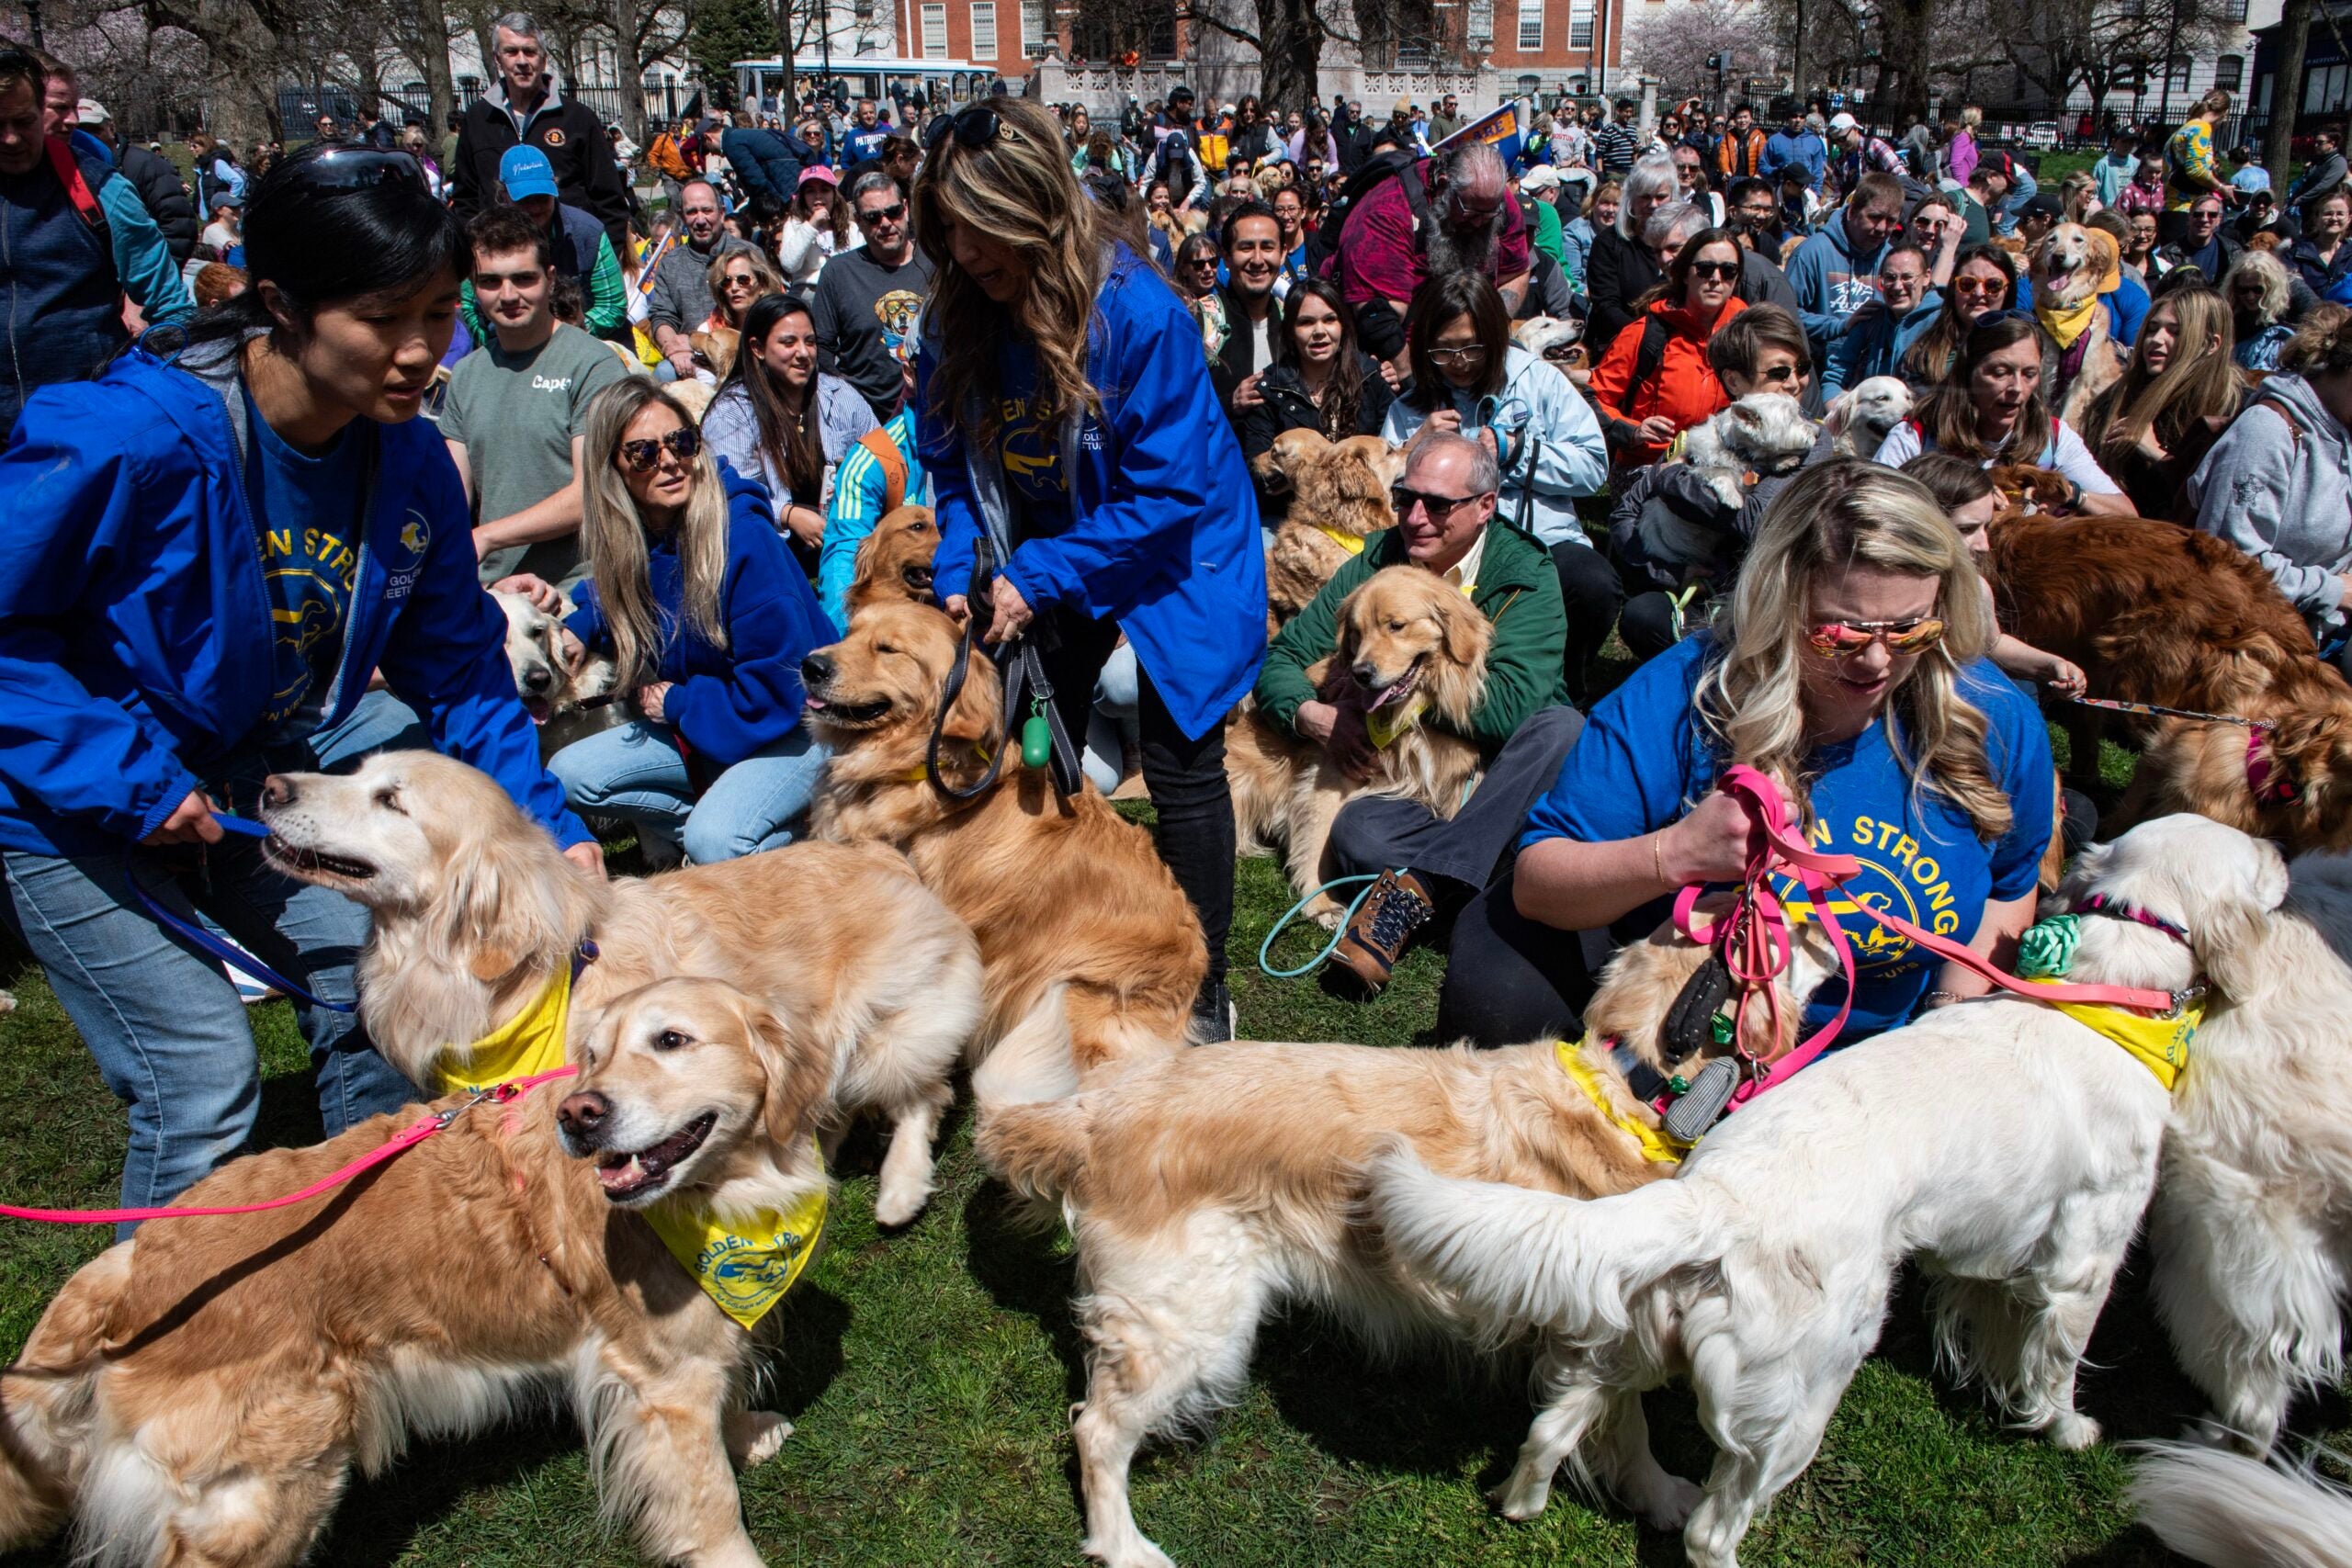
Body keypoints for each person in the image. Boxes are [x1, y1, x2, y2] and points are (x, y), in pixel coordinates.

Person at [0, 141, 598, 1224]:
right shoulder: (130, 437)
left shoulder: (405, 455)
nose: (424, 352)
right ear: (280, 304)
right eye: (386, 319)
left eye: (440, 312)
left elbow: (461, 671)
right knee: (198, 1074)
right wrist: (127, 778)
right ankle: (132, 1361)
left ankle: (360, 1273)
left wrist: (548, 829)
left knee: (367, 995)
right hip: (60, 795)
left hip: (242, 772)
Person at [1439, 459, 2053, 1050]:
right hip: (1693, 1033)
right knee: (1499, 982)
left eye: (1912, 629)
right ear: (1777, 603)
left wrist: (1948, 1026)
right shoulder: (1680, 694)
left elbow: (2011, 881)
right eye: (1839, 632)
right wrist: (1675, 852)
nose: (1876, 661)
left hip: (1872, 1061)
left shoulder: (1991, 716)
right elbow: (1540, 882)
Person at [913, 97, 1267, 1040]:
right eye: (946, 226)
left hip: (1175, 548)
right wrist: (963, 558)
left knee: (1183, 757)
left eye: (981, 226)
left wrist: (1038, 573)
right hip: (1046, 543)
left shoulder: (1137, 313)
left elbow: (1166, 493)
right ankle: (1054, 945)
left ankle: (1199, 989)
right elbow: (950, 460)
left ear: (1034, 209)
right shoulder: (955, 318)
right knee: (1039, 745)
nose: (966, 249)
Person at [1254, 431, 1583, 993]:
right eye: (1406, 498)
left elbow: (1510, 710)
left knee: (1561, 729)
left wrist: (1412, 688)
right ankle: (1482, 882)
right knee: (1358, 831)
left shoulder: (1526, 573)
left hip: (1498, 775)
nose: (1415, 517)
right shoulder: (1375, 560)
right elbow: (1283, 657)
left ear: (1485, 507)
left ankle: (1418, 890)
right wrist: (1311, 715)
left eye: (1438, 504)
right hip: (1421, 790)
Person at [490, 378, 834, 869]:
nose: (670, 461)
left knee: (716, 840)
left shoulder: (745, 540)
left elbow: (781, 688)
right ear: (615, 469)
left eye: (682, 442)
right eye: (644, 453)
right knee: (571, 774)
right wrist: (580, 627)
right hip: (718, 724)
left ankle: (777, 847)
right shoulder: (640, 539)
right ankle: (727, 831)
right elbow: (614, 601)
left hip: (800, 726)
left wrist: (678, 702)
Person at [1381, 271, 1613, 693]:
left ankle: (1566, 683)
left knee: (1592, 583)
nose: (1459, 362)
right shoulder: (1410, 407)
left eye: (1472, 347)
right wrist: (1415, 446)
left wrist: (1519, 453)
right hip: (1444, 550)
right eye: (1444, 351)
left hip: (1540, 537)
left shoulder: (1539, 380)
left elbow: (1594, 467)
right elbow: (1381, 495)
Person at [1609, 304, 1818, 662]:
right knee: (1644, 614)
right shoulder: (1710, 432)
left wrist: (1673, 478)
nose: (1795, 382)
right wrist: (1669, 571)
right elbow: (1624, 514)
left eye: (1802, 368)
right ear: (1734, 381)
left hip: (1767, 595)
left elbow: (1754, 516)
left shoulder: (1810, 441)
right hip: (1700, 587)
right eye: (1779, 372)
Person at [0, 50, 194, 435]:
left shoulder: (101, 189)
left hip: (89, 425)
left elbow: (171, 307)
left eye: (23, 122)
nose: (10, 138)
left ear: (42, 112)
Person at [442, 203, 633, 587]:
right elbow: (452, 496)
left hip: (580, 588)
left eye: (523, 279)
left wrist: (487, 536)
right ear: (472, 288)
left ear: (549, 279)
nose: (508, 294)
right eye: (491, 281)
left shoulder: (593, 364)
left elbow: (588, 495)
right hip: (493, 586)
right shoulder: (465, 375)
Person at [2187, 314, 2352, 647]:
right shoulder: (2267, 431)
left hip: (2324, 633)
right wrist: (2332, 591)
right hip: (2252, 643)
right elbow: (2227, 560)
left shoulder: (2344, 430)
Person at [1871, 311, 2134, 514]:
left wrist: (2070, 495)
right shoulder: (1917, 434)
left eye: (2029, 374)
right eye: (2000, 373)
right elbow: (1868, 508)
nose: (2017, 388)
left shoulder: (2052, 435)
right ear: (1968, 372)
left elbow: (2126, 513)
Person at [1901, 451, 2089, 707]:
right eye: (1967, 529)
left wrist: (2049, 664)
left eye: (1986, 527)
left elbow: (1991, 643)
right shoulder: (1884, 591)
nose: (1984, 545)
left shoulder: (1975, 588)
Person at [1332, 139, 1533, 355]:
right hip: (1403, 352)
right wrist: (1416, 383)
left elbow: (1516, 272)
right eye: (1471, 212)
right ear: (1444, 185)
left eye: (1488, 215)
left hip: (1467, 353)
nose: (1479, 222)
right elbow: (1381, 325)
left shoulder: (1493, 201)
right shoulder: (1387, 212)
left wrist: (1490, 329)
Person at [451, 11, 631, 250]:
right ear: (497, 59)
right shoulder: (478, 118)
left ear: (543, 59)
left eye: (530, 51)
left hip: (569, 260)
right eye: (512, 51)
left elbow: (609, 199)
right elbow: (466, 199)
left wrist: (600, 259)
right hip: (499, 263)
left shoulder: (577, 118)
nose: (522, 61)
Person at [2076, 286, 2242, 520]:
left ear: (2211, 344)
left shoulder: (2235, 409)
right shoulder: (2117, 397)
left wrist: (2158, 455)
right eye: (2152, 329)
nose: (2155, 339)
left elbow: (2222, 499)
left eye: (2174, 331)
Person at [1589, 225, 1748, 467]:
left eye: (1728, 271)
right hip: (1647, 465)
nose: (1716, 279)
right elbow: (1594, 398)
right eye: (1705, 269)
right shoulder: (1645, 333)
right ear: (1685, 273)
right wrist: (1633, 431)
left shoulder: (1749, 336)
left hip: (1722, 464)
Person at [1237, 278, 1393, 518]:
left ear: (1343, 325)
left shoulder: (1372, 377)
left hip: (1365, 513)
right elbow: (1258, 472)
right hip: (1291, 517)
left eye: (1330, 319)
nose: (1319, 331)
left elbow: (1393, 452)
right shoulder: (1269, 389)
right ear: (1290, 331)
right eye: (1306, 322)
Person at [458, 144, 627, 344]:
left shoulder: (588, 232)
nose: (536, 207)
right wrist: (496, 342)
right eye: (525, 200)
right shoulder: (481, 239)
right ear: (504, 196)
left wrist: (564, 334)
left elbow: (613, 306)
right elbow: (469, 308)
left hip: (579, 342)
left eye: (543, 197)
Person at [811, 170, 933, 423]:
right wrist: (847, 401)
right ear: (859, 221)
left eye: (893, 212)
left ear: (906, 208)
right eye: (873, 217)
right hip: (869, 420)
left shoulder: (937, 260)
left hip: (936, 409)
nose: (886, 223)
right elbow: (821, 346)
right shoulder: (838, 273)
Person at [646, 179, 756, 382]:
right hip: (690, 356)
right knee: (664, 372)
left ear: (722, 213)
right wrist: (674, 348)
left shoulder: (749, 254)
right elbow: (662, 315)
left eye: (707, 210)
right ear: (681, 217)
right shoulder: (670, 263)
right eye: (692, 212)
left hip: (741, 350)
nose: (700, 219)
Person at [1786, 171, 1904, 360]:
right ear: (1852, 212)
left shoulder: (1892, 258)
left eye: (1890, 221)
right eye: (1874, 217)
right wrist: (1840, 327)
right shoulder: (1812, 252)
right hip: (1819, 368)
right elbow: (1786, 315)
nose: (1882, 228)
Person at [74, 98, 196, 262]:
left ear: (111, 128)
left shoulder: (149, 165)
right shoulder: (72, 170)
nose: (88, 138)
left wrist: (157, 273)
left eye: (94, 130)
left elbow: (179, 225)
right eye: (79, 131)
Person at [1822, 243, 1941, 396]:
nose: (1897, 286)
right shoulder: (1871, 319)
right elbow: (1836, 374)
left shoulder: (1941, 322)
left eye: (1907, 277)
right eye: (1890, 278)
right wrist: (1834, 407)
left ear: (1926, 277)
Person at [1585, 155, 1678, 353]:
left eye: (1661, 197)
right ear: (1631, 199)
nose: (1653, 205)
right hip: (1619, 346)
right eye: (1645, 196)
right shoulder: (1608, 244)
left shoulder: (1686, 244)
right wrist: (1649, 339)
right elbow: (1607, 306)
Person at [1210, 198, 1284, 420]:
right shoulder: (1202, 320)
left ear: (1283, 253)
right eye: (1246, 247)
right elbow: (1179, 406)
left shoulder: (1295, 318)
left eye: (1268, 247)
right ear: (1226, 257)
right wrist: (1229, 403)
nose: (1258, 259)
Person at [2163, 89, 2237, 247]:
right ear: (2225, 113)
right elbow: (2196, 169)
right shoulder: (2201, 128)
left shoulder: (2184, 128)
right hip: (2187, 212)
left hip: (2171, 209)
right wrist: (2221, 187)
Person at [2226, 249, 2297, 370]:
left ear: (2272, 286)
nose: (2250, 296)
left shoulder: (2296, 293)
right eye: (2243, 290)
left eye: (2258, 290)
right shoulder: (2232, 310)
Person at [2288, 186, 2352, 306]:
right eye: (2328, 214)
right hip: (2305, 319)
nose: (2334, 218)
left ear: (2349, 218)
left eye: (2340, 214)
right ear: (2316, 218)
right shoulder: (2295, 253)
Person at [2163, 189, 2242, 283]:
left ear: (2219, 220)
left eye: (2212, 215)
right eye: (2198, 214)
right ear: (2189, 218)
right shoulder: (2169, 254)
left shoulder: (2233, 252)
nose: (2204, 219)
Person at [1561, 175, 1619, 300]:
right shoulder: (1573, 232)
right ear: (1593, 204)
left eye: (1616, 204)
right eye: (1605, 203)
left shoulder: (1626, 233)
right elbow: (1573, 281)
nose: (1611, 210)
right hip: (1589, 298)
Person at [2285, 126, 2348, 218]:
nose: (2316, 146)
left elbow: (2324, 185)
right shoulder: (2318, 161)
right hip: (2308, 209)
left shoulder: (2338, 162)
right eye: (2316, 142)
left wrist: (2302, 198)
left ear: (2332, 143)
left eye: (2320, 143)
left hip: (2324, 210)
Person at [1763, 105, 1826, 193]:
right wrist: (1776, 172)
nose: (1798, 120)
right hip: (1781, 192)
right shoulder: (1774, 141)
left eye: (1802, 117)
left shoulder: (1814, 142)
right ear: (1787, 118)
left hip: (1806, 192)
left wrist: (1817, 194)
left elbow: (1818, 171)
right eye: (1794, 116)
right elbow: (1763, 166)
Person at [1714, 103, 1766, 182]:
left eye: (1745, 117)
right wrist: (1726, 171)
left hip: (1753, 178)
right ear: (1735, 120)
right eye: (1739, 117)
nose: (1742, 120)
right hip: (1734, 178)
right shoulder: (1728, 136)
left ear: (1751, 119)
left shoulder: (1759, 136)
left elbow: (1762, 156)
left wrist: (1759, 173)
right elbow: (1723, 156)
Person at [2093, 127, 2140, 209]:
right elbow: (2094, 191)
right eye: (2124, 142)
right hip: (2108, 211)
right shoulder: (2104, 164)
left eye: (2131, 143)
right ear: (2114, 142)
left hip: (2130, 211)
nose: (2127, 146)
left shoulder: (2137, 164)